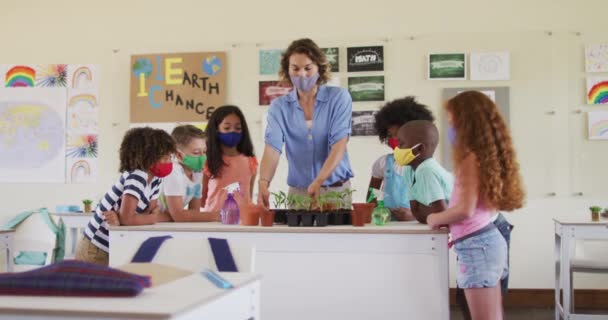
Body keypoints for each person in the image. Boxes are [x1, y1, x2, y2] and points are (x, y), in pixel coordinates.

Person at [427, 91, 525, 320]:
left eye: (452, 123)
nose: (450, 129)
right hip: (485, 244)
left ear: (467, 124)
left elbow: (465, 210)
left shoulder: (470, 159)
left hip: (477, 247)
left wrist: (435, 218)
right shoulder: (484, 158)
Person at [258, 38, 354, 208]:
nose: (301, 74)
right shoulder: (279, 107)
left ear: (319, 68)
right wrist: (263, 183)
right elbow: (272, 148)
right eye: (295, 68)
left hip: (335, 191)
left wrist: (319, 180)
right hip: (299, 193)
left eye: (308, 68)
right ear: (287, 70)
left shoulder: (338, 98)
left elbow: (339, 144)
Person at [75, 127, 176, 265]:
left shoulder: (156, 179)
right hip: (95, 249)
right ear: (147, 156)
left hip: (113, 244)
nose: (169, 162)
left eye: (170, 157)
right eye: (165, 157)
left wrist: (135, 218)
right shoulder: (137, 176)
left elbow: (151, 210)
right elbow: (131, 218)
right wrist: (147, 218)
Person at [367, 97, 435, 221]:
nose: (393, 139)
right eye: (390, 136)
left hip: (417, 226)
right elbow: (372, 196)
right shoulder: (383, 163)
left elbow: (435, 205)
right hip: (389, 225)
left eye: (398, 135)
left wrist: (413, 215)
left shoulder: (426, 166)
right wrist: (378, 211)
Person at [158, 125, 220, 222]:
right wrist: (218, 216)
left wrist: (180, 215)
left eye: (204, 152)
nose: (203, 157)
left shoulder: (197, 173)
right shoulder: (173, 172)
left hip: (163, 223)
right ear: (178, 154)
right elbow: (179, 216)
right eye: (196, 152)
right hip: (145, 225)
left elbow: (195, 212)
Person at [395, 120, 453, 224]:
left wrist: (424, 209)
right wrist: (428, 210)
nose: (397, 149)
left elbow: (442, 218)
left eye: (401, 144)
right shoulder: (408, 170)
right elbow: (417, 213)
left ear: (419, 149)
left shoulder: (426, 170)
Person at [202, 105, 257, 212]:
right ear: (216, 129)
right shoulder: (207, 160)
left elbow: (248, 196)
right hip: (214, 222)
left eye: (238, 128)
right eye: (227, 128)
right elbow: (201, 198)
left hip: (242, 223)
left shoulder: (250, 160)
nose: (233, 132)